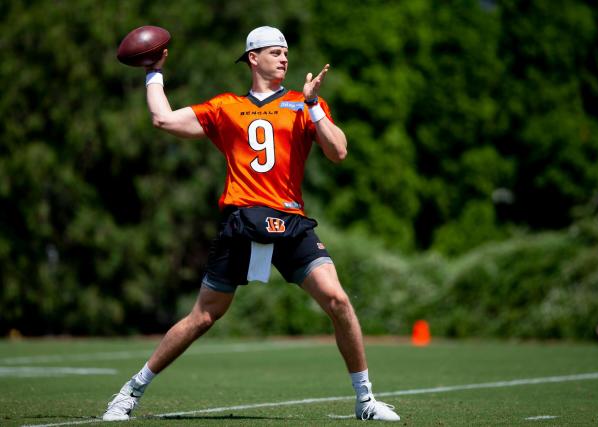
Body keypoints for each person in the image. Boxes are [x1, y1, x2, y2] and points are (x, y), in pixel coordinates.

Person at [103, 26, 400, 422]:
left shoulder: (302, 103)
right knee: (203, 317)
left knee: (338, 300)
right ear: (252, 58)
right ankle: (130, 392)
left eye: (286, 54)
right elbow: (163, 120)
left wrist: (313, 106)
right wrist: (152, 72)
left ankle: (365, 402)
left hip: (290, 221)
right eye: (275, 52)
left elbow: (339, 150)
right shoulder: (226, 106)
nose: (284, 59)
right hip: (240, 222)